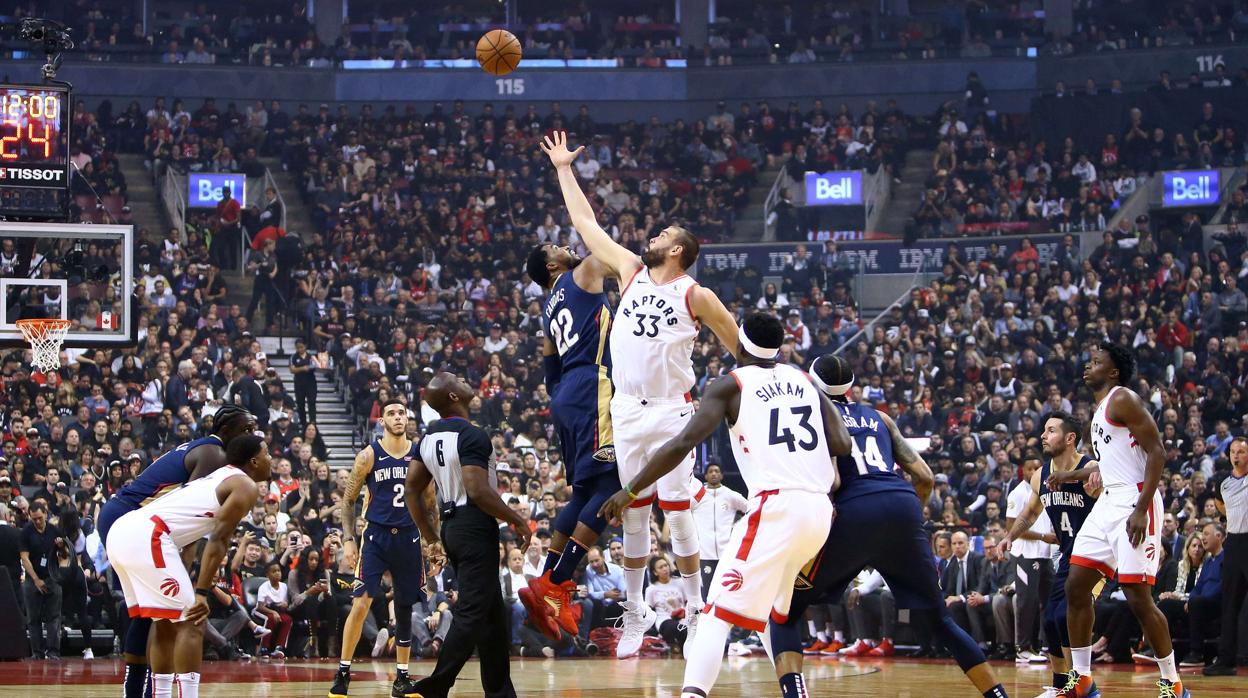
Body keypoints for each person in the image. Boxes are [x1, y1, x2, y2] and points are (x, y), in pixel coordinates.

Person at [543, 130, 742, 658]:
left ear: (677, 250)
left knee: (677, 513)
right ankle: (635, 617)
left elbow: (739, 348)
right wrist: (564, 169)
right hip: (626, 410)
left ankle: (698, 612)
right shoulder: (630, 270)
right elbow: (586, 226)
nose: (652, 235)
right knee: (628, 511)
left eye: (663, 233)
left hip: (674, 411)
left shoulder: (695, 294)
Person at [600, 313, 852, 698]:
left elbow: (682, 444)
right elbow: (843, 444)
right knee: (772, 615)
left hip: (776, 506)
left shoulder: (730, 385)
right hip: (818, 512)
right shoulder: (803, 380)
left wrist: (630, 490)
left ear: (740, 343)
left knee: (715, 615)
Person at [768, 354, 1010, 698]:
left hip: (854, 511)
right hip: (902, 504)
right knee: (940, 619)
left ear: (813, 384)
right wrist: (906, 521)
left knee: (785, 612)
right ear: (850, 385)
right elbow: (924, 477)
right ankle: (998, 694)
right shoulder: (879, 417)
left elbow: (831, 481)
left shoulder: (813, 417)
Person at [96, 404, 257, 698]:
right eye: (245, 430)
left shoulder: (209, 452)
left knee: (151, 613)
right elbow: (188, 512)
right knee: (171, 615)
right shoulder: (215, 455)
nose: (252, 436)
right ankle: (150, 691)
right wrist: (183, 568)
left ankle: (138, 691)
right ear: (225, 432)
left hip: (126, 519)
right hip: (134, 518)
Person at [1059, 343, 1187, 698]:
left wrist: (1141, 509)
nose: (1088, 365)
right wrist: (1070, 476)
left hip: (1135, 499)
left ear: (1113, 372)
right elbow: (1109, 463)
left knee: (1138, 598)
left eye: (1096, 361)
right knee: (1076, 586)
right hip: (1109, 502)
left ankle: (1172, 683)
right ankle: (1082, 679)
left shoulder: (1123, 399)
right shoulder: (1099, 410)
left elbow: (1157, 451)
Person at [519, 218, 619, 643]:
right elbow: (613, 258)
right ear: (550, 264)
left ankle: (545, 582)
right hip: (592, 383)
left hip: (567, 395)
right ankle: (557, 583)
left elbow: (548, 365)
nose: (563, 245)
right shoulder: (583, 273)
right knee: (612, 483)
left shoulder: (546, 307)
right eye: (554, 246)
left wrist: (562, 393)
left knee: (581, 491)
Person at [402, 372, 530, 698]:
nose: (465, 381)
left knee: (492, 613)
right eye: (457, 381)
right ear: (454, 397)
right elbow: (477, 490)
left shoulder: (427, 438)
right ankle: (435, 686)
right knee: (473, 610)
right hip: (474, 526)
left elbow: (412, 492)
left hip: (451, 528)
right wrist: (517, 519)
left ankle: (500, 691)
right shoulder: (473, 434)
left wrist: (431, 536)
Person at [329, 399, 426, 698]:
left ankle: (402, 679)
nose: (398, 417)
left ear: (408, 419)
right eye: (391, 413)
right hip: (375, 537)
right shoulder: (368, 455)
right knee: (361, 601)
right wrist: (347, 540)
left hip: (409, 536)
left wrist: (433, 543)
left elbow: (430, 502)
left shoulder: (419, 456)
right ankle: (343, 672)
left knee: (406, 607)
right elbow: (348, 501)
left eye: (402, 413)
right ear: (382, 421)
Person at [999, 411, 1099, 698]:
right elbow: (1030, 513)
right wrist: (1009, 537)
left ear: (1070, 438)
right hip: (1068, 555)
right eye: (1044, 430)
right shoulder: (1040, 475)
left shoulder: (1089, 466)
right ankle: (1061, 685)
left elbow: (1107, 489)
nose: (1043, 435)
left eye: (1051, 430)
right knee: (1051, 620)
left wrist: (1097, 491)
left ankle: (1082, 685)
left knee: (1066, 617)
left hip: (1095, 555)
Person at [1003, 456, 1057, 663]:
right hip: (1025, 555)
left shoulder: (1045, 491)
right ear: (1022, 470)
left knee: (1049, 601)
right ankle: (1023, 649)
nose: (1034, 470)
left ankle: (1043, 645)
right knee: (1027, 601)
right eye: (1030, 468)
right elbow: (1011, 528)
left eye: (1037, 467)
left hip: (1044, 554)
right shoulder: (1018, 493)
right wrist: (1043, 536)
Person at [1207, 436, 1248, 675]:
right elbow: (1221, 507)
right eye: (1233, 451)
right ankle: (1226, 660)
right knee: (1230, 603)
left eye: (1242, 452)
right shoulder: (1224, 484)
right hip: (1233, 541)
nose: (1236, 456)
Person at [690, 463, 749, 600]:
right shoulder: (698, 496)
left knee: (727, 593)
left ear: (722, 475)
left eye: (717, 471)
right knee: (707, 595)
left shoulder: (730, 495)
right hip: (704, 553)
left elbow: (750, 508)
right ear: (705, 476)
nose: (714, 474)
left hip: (726, 553)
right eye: (710, 471)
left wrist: (740, 526)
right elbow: (683, 511)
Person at [19, 500, 63, 659]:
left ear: (45, 514)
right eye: (34, 518)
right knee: (33, 618)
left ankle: (53, 652)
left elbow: (64, 555)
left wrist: (61, 548)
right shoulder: (26, 532)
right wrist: (36, 579)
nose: (37, 521)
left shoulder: (55, 531)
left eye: (39, 518)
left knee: (54, 617)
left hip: (52, 577)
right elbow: (24, 558)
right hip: (33, 579)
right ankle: (37, 653)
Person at [290, 338, 319, 425]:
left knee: (312, 402)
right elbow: (292, 369)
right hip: (299, 383)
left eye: (301, 347)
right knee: (300, 404)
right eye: (298, 347)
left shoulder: (311, 357)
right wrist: (302, 368)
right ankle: (303, 423)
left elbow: (318, 365)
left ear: (305, 346)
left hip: (311, 382)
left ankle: (313, 422)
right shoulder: (294, 357)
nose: (300, 349)